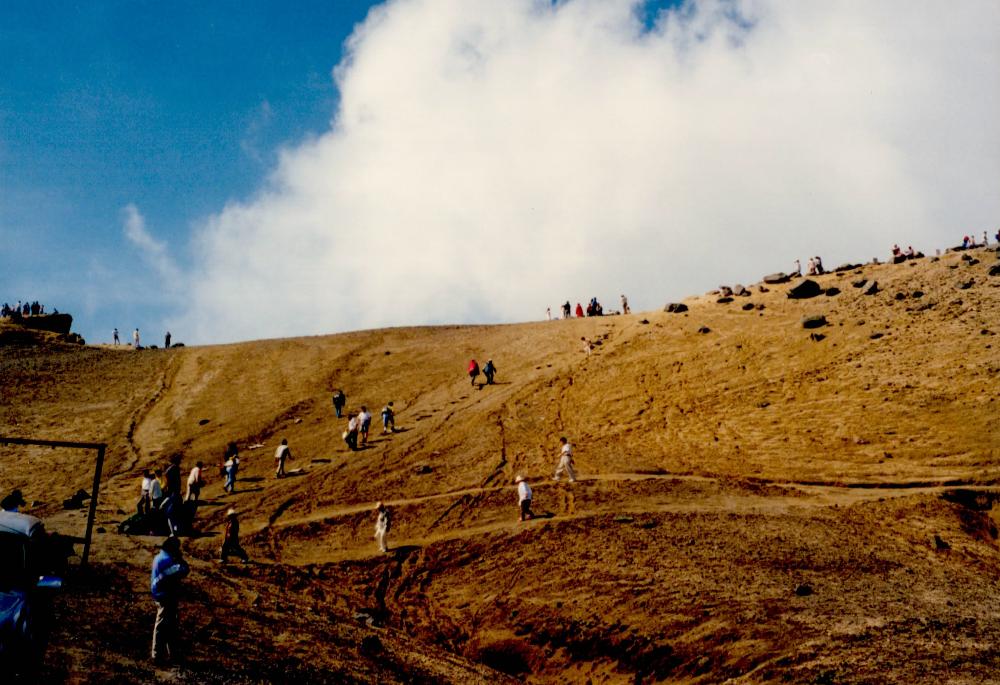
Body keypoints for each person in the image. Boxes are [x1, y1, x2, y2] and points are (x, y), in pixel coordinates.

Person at [150, 536, 189, 664]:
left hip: (160, 594)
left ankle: (172, 653)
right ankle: (157, 655)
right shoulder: (167, 560)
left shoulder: (159, 557)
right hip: (165, 596)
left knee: (170, 625)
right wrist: (180, 559)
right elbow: (184, 570)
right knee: (163, 626)